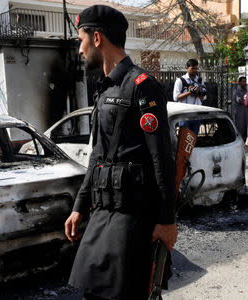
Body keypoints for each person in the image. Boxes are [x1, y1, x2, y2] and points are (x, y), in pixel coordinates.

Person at [64, 5, 177, 300]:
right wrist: (79, 205)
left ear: (97, 38)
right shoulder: (104, 89)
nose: (80, 49)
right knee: (91, 290)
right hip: (102, 213)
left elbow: (161, 158)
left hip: (132, 220)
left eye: (81, 40)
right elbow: (97, 157)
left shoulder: (143, 87)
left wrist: (167, 221)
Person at [172, 59, 207, 134]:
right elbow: (175, 98)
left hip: (196, 113)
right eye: (192, 68)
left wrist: (198, 93)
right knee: (184, 139)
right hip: (184, 114)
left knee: (194, 138)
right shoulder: (180, 80)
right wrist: (189, 92)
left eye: (196, 68)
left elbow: (204, 97)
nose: (194, 70)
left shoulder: (200, 80)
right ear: (187, 68)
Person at [234, 76, 247, 143]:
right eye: (243, 81)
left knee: (245, 131)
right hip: (240, 115)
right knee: (240, 130)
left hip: (246, 114)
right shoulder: (237, 91)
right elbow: (238, 100)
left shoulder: (246, 91)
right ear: (239, 83)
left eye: (245, 81)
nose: (245, 83)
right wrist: (245, 100)